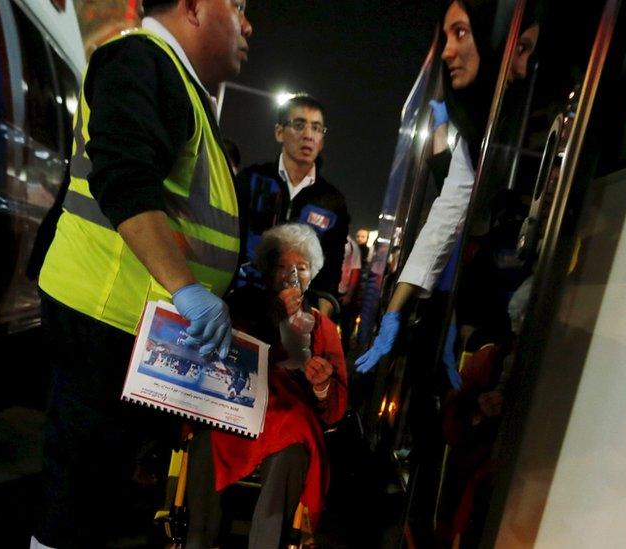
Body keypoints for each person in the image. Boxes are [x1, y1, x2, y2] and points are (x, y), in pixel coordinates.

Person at [31, 0, 252, 547]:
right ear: (194, 6)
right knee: (73, 513)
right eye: (240, 7)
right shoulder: (140, 60)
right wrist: (189, 290)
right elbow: (123, 178)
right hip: (105, 321)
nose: (248, 25)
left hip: (134, 333)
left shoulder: (174, 79)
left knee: (98, 509)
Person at [356, 0, 525, 374]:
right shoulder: (478, 127)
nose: (448, 51)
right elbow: (447, 216)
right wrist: (395, 311)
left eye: (460, 33)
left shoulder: (534, 110)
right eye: (446, 36)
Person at [186, 223, 348, 549]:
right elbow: (223, 358)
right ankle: (199, 538)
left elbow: (335, 409)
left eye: (300, 268)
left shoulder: (324, 326)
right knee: (207, 435)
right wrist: (272, 315)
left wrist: (321, 387)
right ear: (267, 271)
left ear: (312, 274)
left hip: (287, 420)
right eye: (281, 267)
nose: (291, 276)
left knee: (293, 446)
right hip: (235, 408)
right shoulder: (241, 306)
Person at [235, 94, 350, 317]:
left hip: (298, 316)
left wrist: (319, 318)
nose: (308, 135)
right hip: (243, 305)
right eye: (299, 125)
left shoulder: (333, 201)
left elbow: (332, 268)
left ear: (322, 139)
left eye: (317, 128)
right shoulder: (251, 180)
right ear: (279, 132)